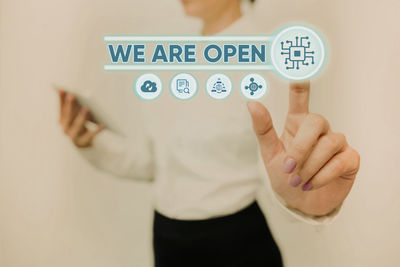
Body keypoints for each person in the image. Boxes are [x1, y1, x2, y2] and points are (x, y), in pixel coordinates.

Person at [57, 0, 360, 266]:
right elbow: (156, 162)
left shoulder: (270, 57)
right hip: (167, 241)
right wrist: (92, 142)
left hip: (235, 246)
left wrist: (303, 194)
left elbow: (281, 172)